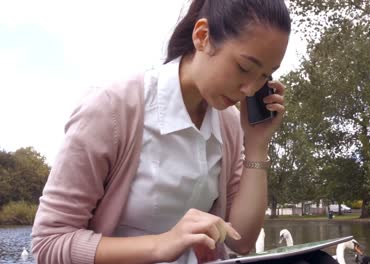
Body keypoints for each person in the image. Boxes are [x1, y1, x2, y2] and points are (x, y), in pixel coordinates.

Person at [31, 0, 291, 263]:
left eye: (264, 76)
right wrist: (162, 244)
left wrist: (257, 144)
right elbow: (49, 243)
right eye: (244, 68)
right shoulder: (111, 109)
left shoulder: (230, 124)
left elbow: (242, 241)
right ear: (202, 37)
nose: (249, 89)